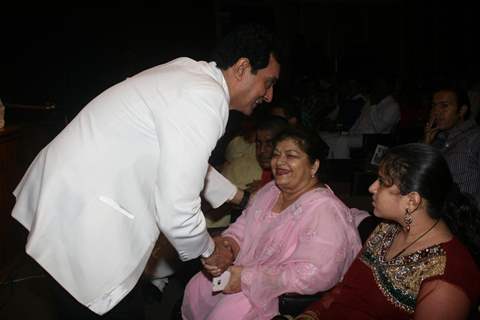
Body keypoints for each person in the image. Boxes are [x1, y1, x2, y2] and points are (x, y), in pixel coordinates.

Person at [10, 24, 280, 318]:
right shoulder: (205, 97)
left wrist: (239, 197)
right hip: (84, 219)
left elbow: (183, 160)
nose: (269, 96)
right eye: (268, 83)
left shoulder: (188, 76)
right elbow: (177, 209)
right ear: (242, 68)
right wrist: (208, 250)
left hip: (65, 198)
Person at [182, 128, 362, 320]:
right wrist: (227, 246)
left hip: (276, 292)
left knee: (227, 312)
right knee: (198, 287)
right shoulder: (270, 191)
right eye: (276, 155)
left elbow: (316, 274)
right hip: (244, 268)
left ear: (314, 166)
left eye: (291, 155)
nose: (280, 161)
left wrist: (247, 278)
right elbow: (243, 225)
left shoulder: (325, 210)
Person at [293, 143, 480, 320]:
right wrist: (310, 314)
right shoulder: (387, 229)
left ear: (412, 201)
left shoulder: (447, 278)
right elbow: (346, 289)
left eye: (382, 182)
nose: (371, 188)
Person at [206, 115, 289, 227]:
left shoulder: (293, 179)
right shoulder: (264, 174)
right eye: (258, 144)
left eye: (269, 144)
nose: (261, 151)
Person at [423, 85, 480, 206]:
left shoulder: (474, 138)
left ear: (462, 110)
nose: (436, 112)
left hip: (463, 218)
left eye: (444, 106)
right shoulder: (437, 138)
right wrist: (426, 144)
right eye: (434, 106)